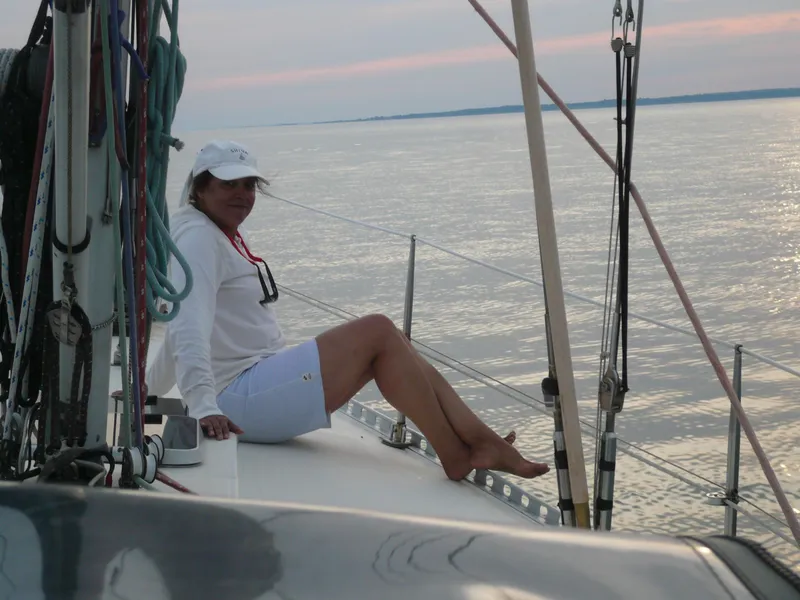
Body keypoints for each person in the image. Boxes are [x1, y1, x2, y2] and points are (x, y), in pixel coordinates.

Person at [145, 140, 549, 482]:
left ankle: (477, 442)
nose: (242, 195)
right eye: (228, 184)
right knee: (378, 331)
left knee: (394, 341)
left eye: (249, 184)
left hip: (251, 383)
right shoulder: (200, 239)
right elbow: (187, 324)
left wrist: (146, 388)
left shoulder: (216, 230)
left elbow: (186, 318)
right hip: (235, 401)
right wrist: (202, 405)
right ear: (199, 188)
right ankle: (461, 452)